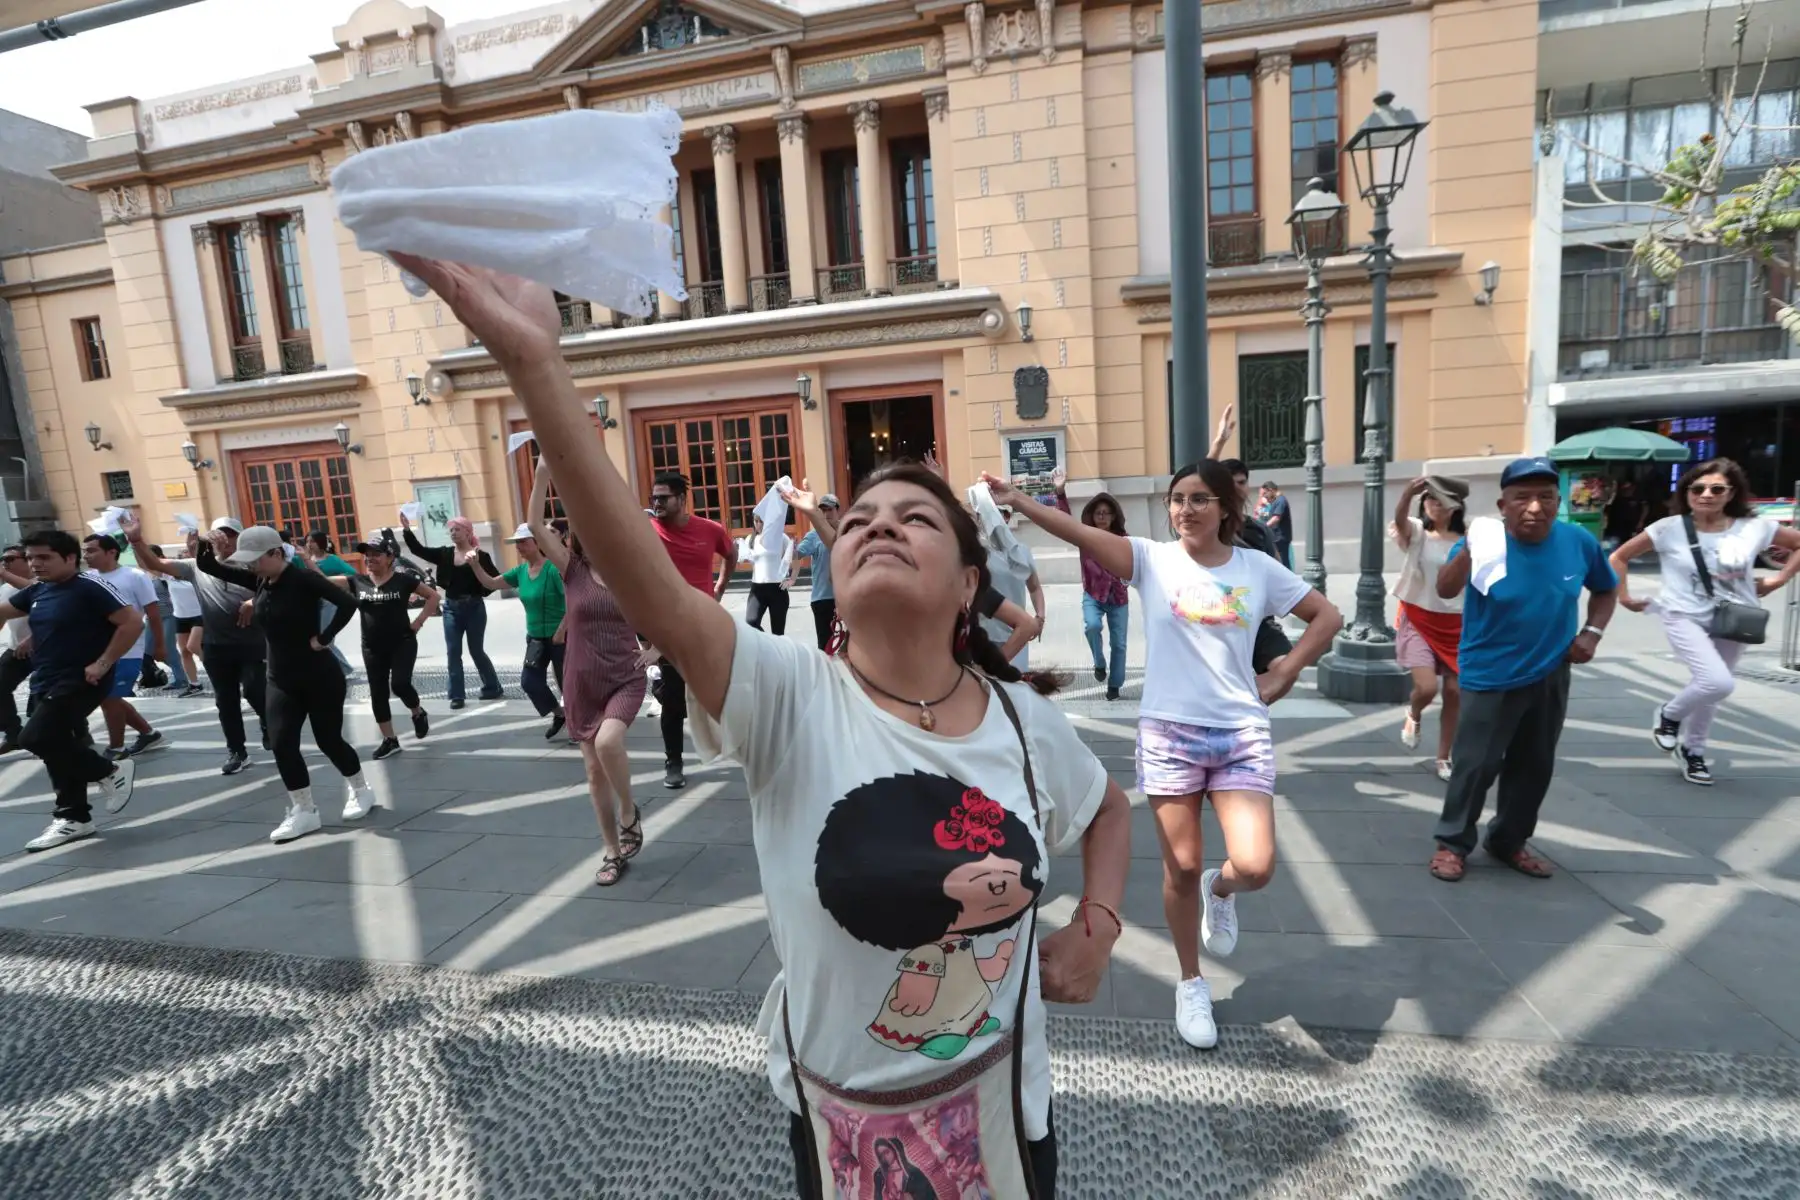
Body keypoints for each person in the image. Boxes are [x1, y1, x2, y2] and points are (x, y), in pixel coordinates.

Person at [394, 252, 1130, 1200]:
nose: (877, 525)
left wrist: (1098, 926)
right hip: (838, 1132)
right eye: (859, 517)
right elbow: (652, 589)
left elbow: (1110, 810)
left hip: (1003, 1120)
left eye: (916, 518)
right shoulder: (790, 694)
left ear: (967, 587)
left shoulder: (1027, 725)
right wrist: (539, 370)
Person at [989, 459, 1342, 1052]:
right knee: (1178, 865)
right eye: (1177, 499)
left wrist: (1285, 673)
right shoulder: (1152, 560)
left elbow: (1326, 617)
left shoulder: (1257, 568)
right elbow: (1077, 533)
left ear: (1226, 508)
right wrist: (1019, 502)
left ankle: (1221, 890)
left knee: (1254, 865)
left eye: (1199, 499)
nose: (1185, 509)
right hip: (1171, 736)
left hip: (1239, 733)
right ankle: (1191, 981)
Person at [1429, 456, 1618, 883]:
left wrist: (1590, 633)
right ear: (1503, 504)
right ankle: (1452, 843)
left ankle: (1508, 841)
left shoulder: (1577, 541)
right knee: (1475, 765)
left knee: (1534, 766)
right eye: (1523, 498)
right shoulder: (1486, 540)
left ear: (1558, 502)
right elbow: (1445, 589)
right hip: (1489, 672)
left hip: (1550, 672)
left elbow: (1606, 590)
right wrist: (1471, 550)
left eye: (1546, 497)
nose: (1535, 507)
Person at [1610, 457, 1800, 786]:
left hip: (1735, 618)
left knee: (1711, 690)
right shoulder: (1668, 529)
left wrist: (1779, 580)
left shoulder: (1755, 527)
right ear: (1686, 493)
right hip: (1683, 615)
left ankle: (1693, 750)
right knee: (1717, 682)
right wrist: (1623, 596)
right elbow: (1619, 557)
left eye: (1717, 488)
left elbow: (1797, 543)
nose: (1706, 494)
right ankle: (1669, 714)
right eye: (1698, 488)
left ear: (1731, 493)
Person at [199, 524, 371, 842]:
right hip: (279, 678)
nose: (250, 565)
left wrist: (324, 637)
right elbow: (208, 566)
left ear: (276, 553)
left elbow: (349, 602)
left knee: (328, 741)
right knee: (281, 744)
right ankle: (304, 811)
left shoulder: (303, 580)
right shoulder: (260, 580)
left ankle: (360, 788)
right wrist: (203, 543)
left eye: (255, 558)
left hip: (320, 676)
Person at [521, 461, 646, 886]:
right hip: (581, 679)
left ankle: (628, 810)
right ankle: (611, 850)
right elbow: (536, 524)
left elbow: (675, 613)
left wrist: (655, 652)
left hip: (625, 675)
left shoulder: (631, 572)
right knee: (593, 772)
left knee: (610, 741)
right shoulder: (572, 570)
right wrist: (543, 472)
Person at [1, 530, 140, 851]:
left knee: (35, 737)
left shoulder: (90, 587)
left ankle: (110, 770)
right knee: (61, 746)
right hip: (45, 678)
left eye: (44, 557)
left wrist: (104, 663)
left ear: (70, 558)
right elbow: (4, 611)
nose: (35, 564)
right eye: (31, 557)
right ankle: (73, 817)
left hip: (82, 678)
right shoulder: (39, 591)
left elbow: (132, 622)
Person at [124, 515, 268, 775]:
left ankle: (269, 725)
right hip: (215, 644)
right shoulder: (195, 566)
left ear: (240, 538)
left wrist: (253, 602)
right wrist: (136, 540)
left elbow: (275, 589)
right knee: (226, 702)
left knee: (256, 692)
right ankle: (237, 751)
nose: (224, 539)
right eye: (218, 534)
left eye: (230, 534)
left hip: (251, 642)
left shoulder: (254, 565)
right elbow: (154, 563)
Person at [647, 470, 736, 789]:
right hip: (666, 628)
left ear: (682, 499)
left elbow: (730, 553)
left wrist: (720, 587)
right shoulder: (647, 529)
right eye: (653, 497)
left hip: (703, 623)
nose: (656, 503)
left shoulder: (709, 530)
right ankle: (674, 761)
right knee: (672, 699)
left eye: (663, 498)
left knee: (719, 688)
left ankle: (739, 746)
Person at [1391, 475, 1469, 782]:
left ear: (1455, 508)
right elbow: (1399, 521)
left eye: (1439, 501)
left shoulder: (1469, 539)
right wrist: (1406, 495)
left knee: (1454, 692)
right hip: (1419, 619)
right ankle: (1414, 712)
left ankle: (1443, 757)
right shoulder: (1420, 533)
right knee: (1426, 688)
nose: (1432, 505)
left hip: (1458, 623)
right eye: (1429, 499)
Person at [472, 516, 569, 740]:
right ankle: (559, 714)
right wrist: (475, 565)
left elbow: (572, 602)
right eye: (517, 542)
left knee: (568, 685)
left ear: (538, 543)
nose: (519, 546)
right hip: (536, 638)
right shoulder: (521, 572)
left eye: (523, 541)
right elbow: (491, 583)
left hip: (561, 637)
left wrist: (563, 630)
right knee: (529, 682)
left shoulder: (553, 569)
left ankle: (579, 724)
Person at [349, 532, 436, 760]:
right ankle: (390, 740)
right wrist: (306, 563)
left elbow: (433, 597)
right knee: (377, 693)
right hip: (371, 647)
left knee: (400, 684)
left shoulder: (403, 580)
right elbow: (322, 581)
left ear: (390, 558)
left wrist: (418, 622)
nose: (370, 558)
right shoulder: (358, 581)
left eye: (376, 554)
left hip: (402, 642)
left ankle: (417, 713)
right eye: (367, 555)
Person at [402, 513, 503, 709]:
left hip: (474, 608)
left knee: (476, 651)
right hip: (451, 609)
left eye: (457, 529)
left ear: (468, 532)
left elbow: (496, 580)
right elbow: (418, 550)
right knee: (453, 651)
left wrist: (481, 589)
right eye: (451, 530)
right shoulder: (445, 554)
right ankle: (457, 695)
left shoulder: (480, 556)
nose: (453, 533)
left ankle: (492, 686)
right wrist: (407, 529)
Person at [81, 532, 167, 760]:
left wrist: (159, 646)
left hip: (129, 649)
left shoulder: (135, 576)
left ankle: (117, 748)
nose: (86, 555)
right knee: (109, 698)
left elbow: (154, 615)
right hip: (98, 651)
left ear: (111, 552)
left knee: (110, 698)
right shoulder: (87, 578)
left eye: (91, 550)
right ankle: (149, 734)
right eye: (84, 551)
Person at [1051, 468, 1130, 701]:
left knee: (1120, 644)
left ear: (1114, 516)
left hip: (1118, 599)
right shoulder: (1085, 537)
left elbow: (1135, 564)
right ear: (1092, 516)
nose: (1103, 517)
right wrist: (1060, 492)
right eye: (1098, 514)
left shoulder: (1123, 540)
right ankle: (1099, 662)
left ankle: (1114, 686)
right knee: (1092, 626)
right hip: (1094, 595)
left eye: (1107, 513)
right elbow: (1064, 522)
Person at [303, 530, 359, 675]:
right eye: (308, 541)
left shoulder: (332, 559)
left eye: (313, 541)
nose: (309, 544)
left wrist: (335, 579)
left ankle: (344, 669)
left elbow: (353, 574)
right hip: (312, 603)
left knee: (325, 637)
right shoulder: (305, 560)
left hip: (330, 601)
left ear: (321, 543)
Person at [793, 492, 841, 650]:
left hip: (846, 597)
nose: (826, 514)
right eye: (823, 510)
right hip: (823, 599)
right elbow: (797, 554)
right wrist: (784, 547)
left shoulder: (847, 531)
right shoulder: (814, 536)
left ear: (837, 511)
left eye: (830, 510)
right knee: (825, 647)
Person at [0, 544, 35, 754]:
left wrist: (33, 639)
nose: (5, 562)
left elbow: (33, 591)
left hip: (45, 649)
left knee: (47, 697)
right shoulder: (4, 589)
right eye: (3, 559)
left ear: (26, 560)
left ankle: (78, 735)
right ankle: (13, 734)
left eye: (10, 559)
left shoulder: (39, 582)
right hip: (16, 649)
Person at [741, 514, 794, 636]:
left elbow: (794, 556)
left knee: (778, 632)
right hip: (757, 588)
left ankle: (777, 649)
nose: (758, 524)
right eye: (756, 521)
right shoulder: (751, 539)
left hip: (777, 588)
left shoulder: (781, 537)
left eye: (761, 521)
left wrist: (792, 579)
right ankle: (770, 644)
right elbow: (749, 558)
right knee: (751, 622)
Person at [166, 563, 206, 697]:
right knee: (184, 652)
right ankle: (194, 684)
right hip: (180, 617)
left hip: (199, 615)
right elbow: (147, 565)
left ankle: (218, 670)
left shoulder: (196, 576)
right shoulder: (168, 577)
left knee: (193, 646)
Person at [1256, 482, 1293, 568]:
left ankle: (1287, 580)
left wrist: (1263, 527)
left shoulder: (1281, 501)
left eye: (1265, 493)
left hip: (1280, 538)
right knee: (1278, 563)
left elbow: (1276, 518)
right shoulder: (1276, 501)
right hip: (1276, 537)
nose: (1264, 497)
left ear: (1271, 490)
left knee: (1283, 563)